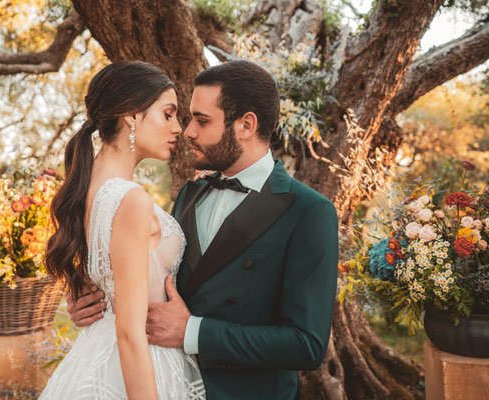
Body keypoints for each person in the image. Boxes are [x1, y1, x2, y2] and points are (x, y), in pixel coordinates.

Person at [69, 60, 339, 399]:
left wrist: (192, 332)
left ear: (246, 125)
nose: (188, 131)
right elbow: (151, 273)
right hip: (167, 382)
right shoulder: (190, 193)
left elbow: (306, 345)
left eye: (202, 120)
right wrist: (96, 299)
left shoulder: (309, 211)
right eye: (185, 118)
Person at [39, 61, 205, 400]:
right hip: (139, 364)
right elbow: (130, 332)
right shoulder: (130, 199)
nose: (179, 128)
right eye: (168, 114)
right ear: (132, 114)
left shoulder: (87, 187)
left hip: (98, 355)